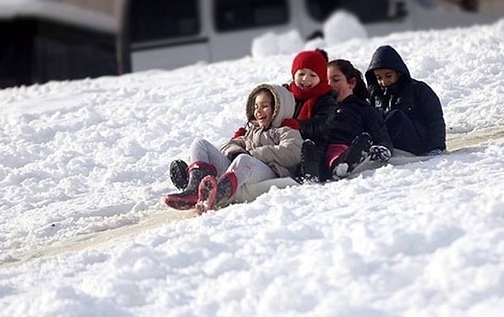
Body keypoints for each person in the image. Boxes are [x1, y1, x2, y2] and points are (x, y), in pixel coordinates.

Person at [164, 83, 303, 214]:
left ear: (278, 108)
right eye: (255, 107)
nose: (258, 111)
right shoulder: (253, 131)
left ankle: (217, 195)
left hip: (271, 173)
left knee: (244, 160)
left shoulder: (286, 130)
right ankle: (194, 189)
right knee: (200, 144)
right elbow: (229, 146)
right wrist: (236, 152)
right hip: (240, 173)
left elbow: (292, 152)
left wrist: (254, 154)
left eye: (264, 106)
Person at [303, 59, 394, 180]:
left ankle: (342, 165)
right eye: (326, 81)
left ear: (351, 83)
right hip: (319, 147)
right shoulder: (320, 107)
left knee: (336, 151)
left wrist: (383, 147)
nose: (330, 85)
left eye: (336, 80)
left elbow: (379, 131)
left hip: (341, 146)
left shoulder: (362, 108)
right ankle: (309, 173)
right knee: (310, 148)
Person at [364, 45, 446, 156]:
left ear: (398, 73)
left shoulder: (418, 89)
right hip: (390, 141)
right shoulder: (374, 95)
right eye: (379, 78)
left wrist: (436, 147)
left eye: (388, 76)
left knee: (396, 116)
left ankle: (379, 148)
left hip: (417, 142)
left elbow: (435, 120)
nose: (384, 81)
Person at [282, 49, 338, 181]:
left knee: (312, 149)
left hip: (314, 139)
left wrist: (300, 125)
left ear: (322, 77)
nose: (306, 79)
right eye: (301, 74)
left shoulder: (326, 98)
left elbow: (324, 121)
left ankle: (311, 172)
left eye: (313, 75)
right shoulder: (284, 93)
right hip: (285, 138)